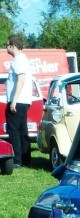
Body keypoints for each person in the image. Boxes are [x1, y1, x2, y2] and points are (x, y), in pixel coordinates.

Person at [5, 35, 33, 167]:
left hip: (18, 100)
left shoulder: (19, 60)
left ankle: (17, 160)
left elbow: (21, 80)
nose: (6, 47)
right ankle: (25, 158)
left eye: (7, 45)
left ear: (13, 46)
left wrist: (14, 101)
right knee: (22, 130)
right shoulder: (22, 59)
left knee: (14, 130)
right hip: (23, 100)